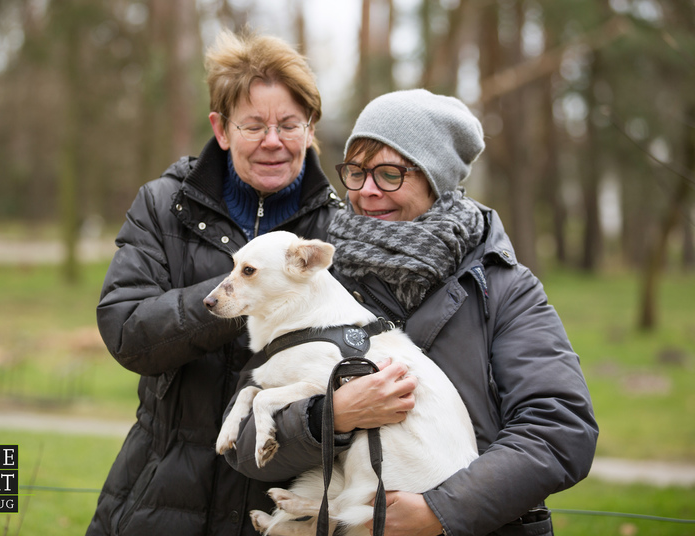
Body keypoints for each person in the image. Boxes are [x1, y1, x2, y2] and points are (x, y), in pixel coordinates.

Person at [224, 89, 598, 536]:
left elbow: (560, 429)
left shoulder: (502, 288)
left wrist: (440, 512)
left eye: (389, 174)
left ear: (436, 180)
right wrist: (330, 416)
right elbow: (243, 446)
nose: (367, 190)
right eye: (356, 172)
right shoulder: (312, 278)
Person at [86, 29, 342, 536]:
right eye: (254, 125)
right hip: (160, 490)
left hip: (279, 499)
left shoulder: (338, 230)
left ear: (310, 128)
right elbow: (127, 330)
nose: (273, 141)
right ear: (221, 130)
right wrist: (239, 297)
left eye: (290, 124)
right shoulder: (164, 206)